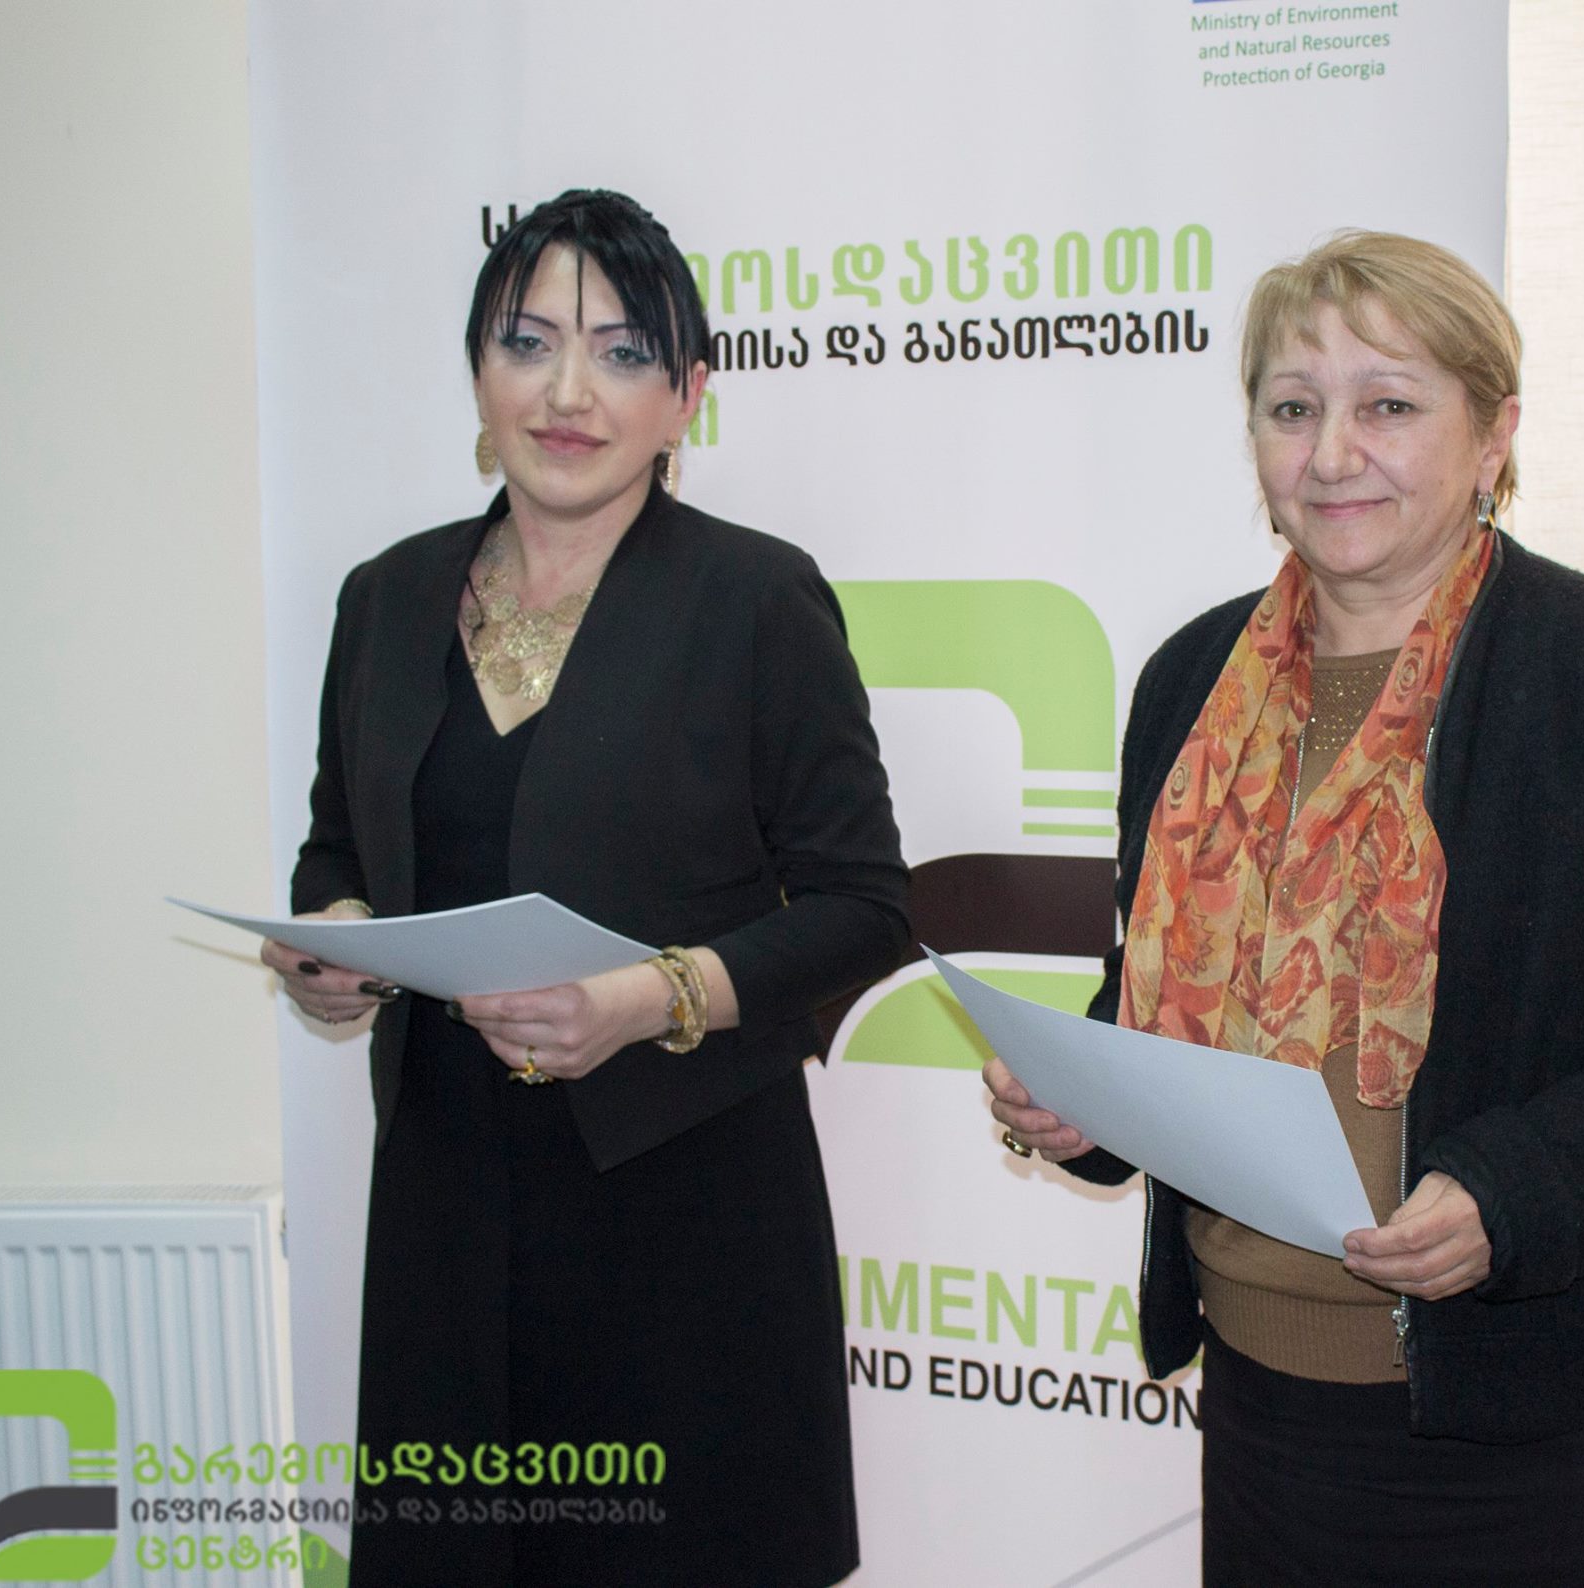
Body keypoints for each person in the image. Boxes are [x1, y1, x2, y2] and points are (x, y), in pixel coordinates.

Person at [984, 230, 1584, 1585]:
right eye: (1292, 407)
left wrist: (1512, 1195)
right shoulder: (1191, 680)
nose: (1332, 455)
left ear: (1494, 436)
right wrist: (1089, 1100)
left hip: (1533, 1424)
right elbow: (1170, 987)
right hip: (1259, 1401)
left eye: (1387, 404)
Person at [262, 188, 907, 1587]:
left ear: (687, 398)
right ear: (477, 373)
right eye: (528, 342)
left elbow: (865, 908)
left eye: (621, 353)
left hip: (686, 1227)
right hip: (441, 1214)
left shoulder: (757, 600)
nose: (567, 392)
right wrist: (336, 940)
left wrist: (649, 999)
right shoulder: (385, 598)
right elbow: (338, 848)